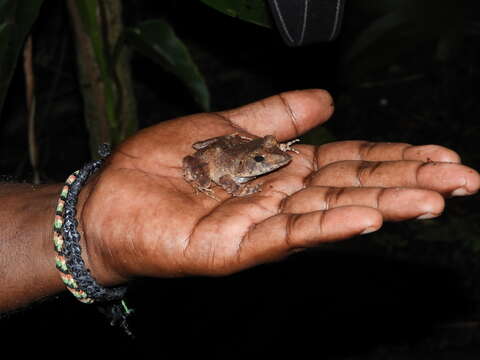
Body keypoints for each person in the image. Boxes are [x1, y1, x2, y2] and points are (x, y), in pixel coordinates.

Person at [1, 89, 479, 312]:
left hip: (233, 149)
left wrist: (82, 222)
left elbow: (262, 151)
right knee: (208, 168)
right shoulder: (238, 170)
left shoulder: (263, 154)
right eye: (265, 162)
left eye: (271, 160)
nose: (272, 166)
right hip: (217, 162)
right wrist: (237, 183)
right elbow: (224, 173)